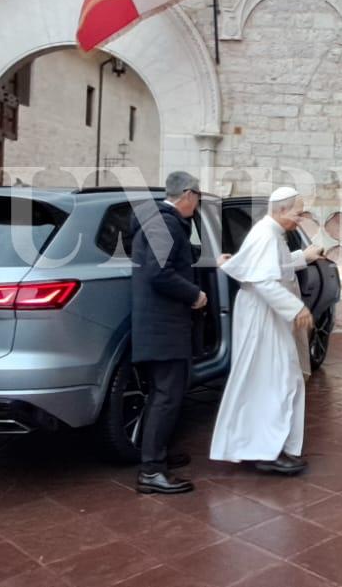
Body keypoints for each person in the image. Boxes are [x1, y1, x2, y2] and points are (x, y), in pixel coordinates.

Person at [211, 187, 322, 475]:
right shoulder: (265, 234)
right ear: (282, 210)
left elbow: (275, 266)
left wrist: (303, 257)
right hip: (263, 317)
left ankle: (264, 447)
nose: (300, 218)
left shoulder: (272, 232)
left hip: (267, 315)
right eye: (298, 213)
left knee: (275, 380)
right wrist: (296, 308)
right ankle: (265, 451)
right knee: (275, 381)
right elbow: (263, 281)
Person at [127, 171, 206, 495]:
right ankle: (151, 471)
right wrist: (195, 295)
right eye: (198, 198)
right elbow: (160, 274)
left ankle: (156, 454)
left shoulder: (157, 221)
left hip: (158, 326)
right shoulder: (167, 223)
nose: (197, 205)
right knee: (166, 396)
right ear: (188, 194)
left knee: (163, 394)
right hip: (164, 326)